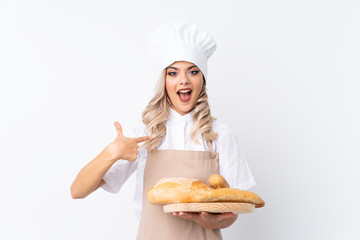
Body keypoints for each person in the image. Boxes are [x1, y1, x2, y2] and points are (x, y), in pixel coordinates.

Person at [71, 22, 256, 240]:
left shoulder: (221, 135)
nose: (184, 80)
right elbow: (77, 191)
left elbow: (234, 208)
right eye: (173, 73)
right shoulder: (142, 134)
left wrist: (211, 220)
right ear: (164, 81)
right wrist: (111, 153)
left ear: (202, 80)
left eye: (193, 71)